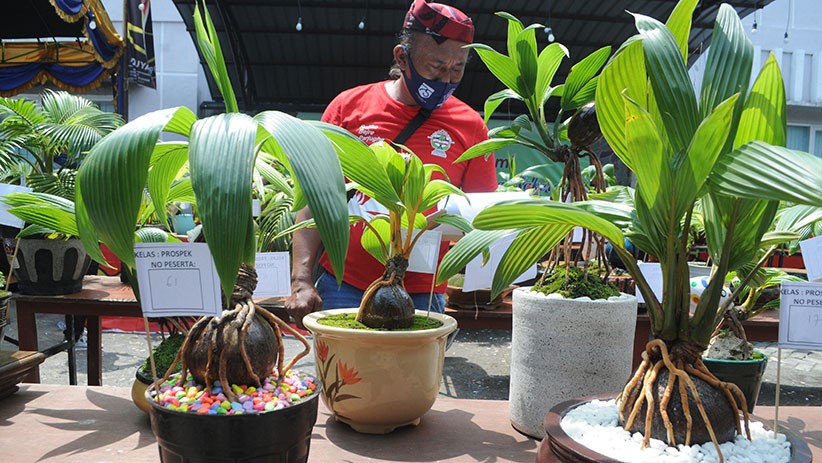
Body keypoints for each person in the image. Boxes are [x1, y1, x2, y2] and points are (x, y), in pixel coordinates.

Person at [285, 1, 498, 328]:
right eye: (437, 65)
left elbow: (482, 216)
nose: (446, 77)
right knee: (345, 378)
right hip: (345, 284)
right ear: (402, 58)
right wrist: (301, 280)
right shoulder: (349, 108)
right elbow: (316, 201)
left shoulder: (470, 126)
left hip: (423, 294)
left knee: (412, 380)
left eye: (458, 68)